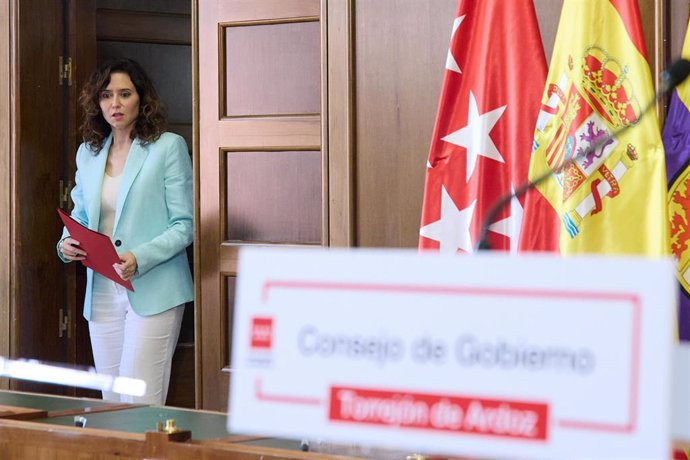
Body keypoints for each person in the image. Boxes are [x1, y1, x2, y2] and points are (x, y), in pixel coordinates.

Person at [56, 58, 193, 405]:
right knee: (113, 403)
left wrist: (140, 257)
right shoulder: (88, 154)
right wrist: (66, 243)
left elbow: (184, 225)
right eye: (106, 95)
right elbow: (82, 215)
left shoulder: (168, 147)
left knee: (142, 403)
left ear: (141, 98)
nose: (114, 103)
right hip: (102, 293)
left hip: (155, 288)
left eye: (124, 94)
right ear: (97, 102)